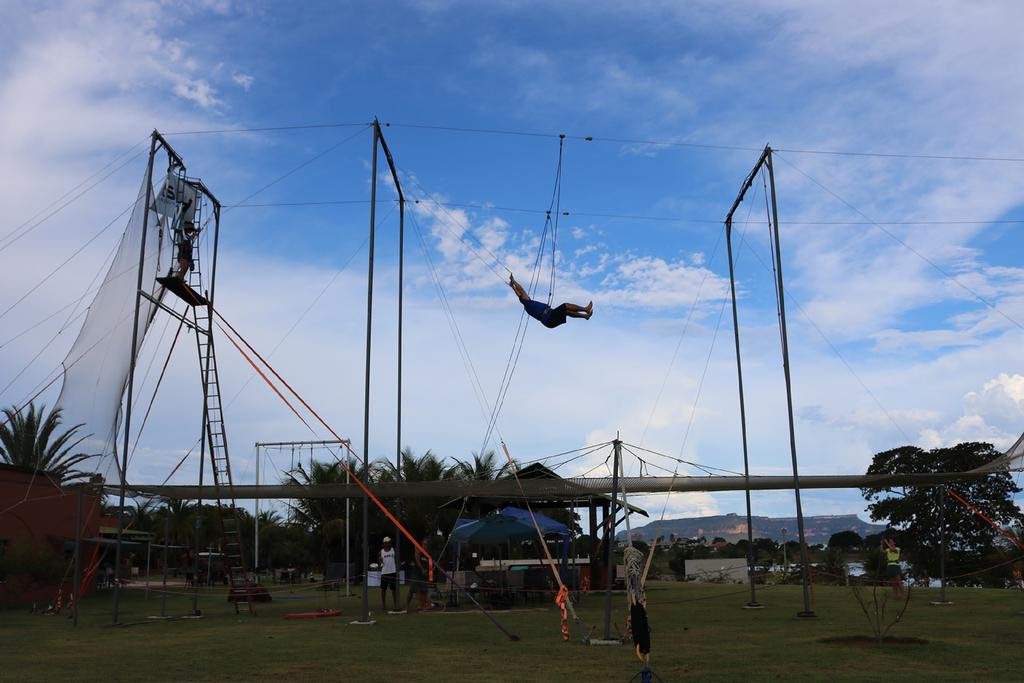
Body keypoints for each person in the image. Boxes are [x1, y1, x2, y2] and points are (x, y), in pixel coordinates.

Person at [508, 274, 592, 329]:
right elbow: (521, 290)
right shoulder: (527, 303)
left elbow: (519, 292)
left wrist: (513, 286)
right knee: (565, 306)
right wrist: (514, 282)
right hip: (549, 318)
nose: (527, 295)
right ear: (523, 298)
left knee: (567, 312)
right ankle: (585, 309)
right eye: (525, 295)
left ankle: (585, 316)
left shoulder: (528, 302)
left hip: (549, 317)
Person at [405, 537, 432, 612]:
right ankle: (407, 605)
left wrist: (429, 571)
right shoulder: (419, 550)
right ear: (422, 544)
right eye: (424, 544)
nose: (425, 546)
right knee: (412, 590)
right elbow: (417, 560)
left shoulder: (428, 554)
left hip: (424, 575)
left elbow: (429, 564)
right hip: (416, 573)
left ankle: (423, 606)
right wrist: (422, 569)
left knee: (424, 590)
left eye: (427, 545)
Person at [379, 536, 399, 612]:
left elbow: (397, 560)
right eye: (387, 542)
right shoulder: (381, 551)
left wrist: (398, 569)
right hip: (384, 573)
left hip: (393, 572)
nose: (389, 543)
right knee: (383, 590)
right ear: (384, 543)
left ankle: (395, 605)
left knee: (394, 590)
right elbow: (380, 562)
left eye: (389, 542)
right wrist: (380, 560)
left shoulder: (394, 550)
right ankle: (383, 605)